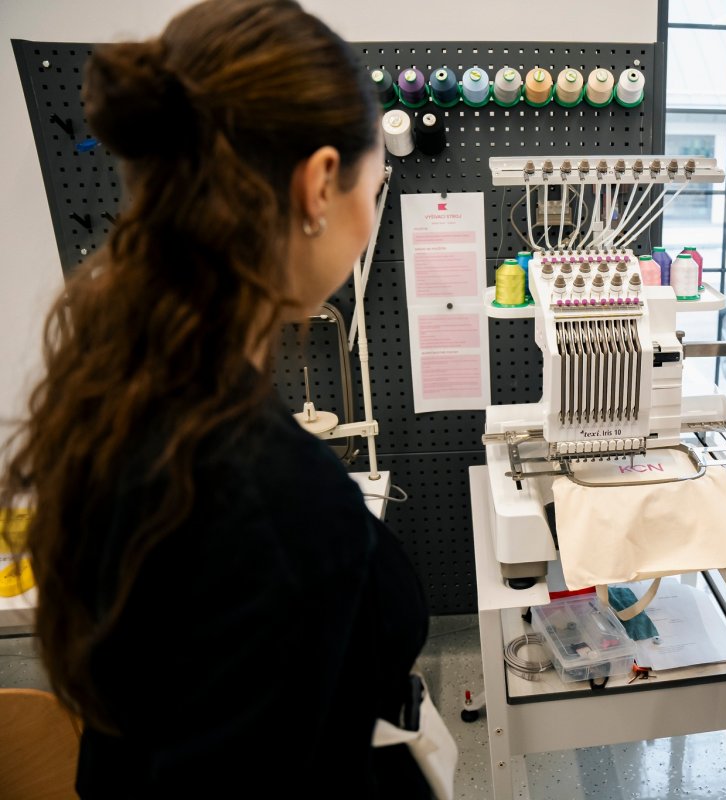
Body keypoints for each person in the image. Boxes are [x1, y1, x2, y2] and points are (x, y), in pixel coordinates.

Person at [0, 1, 431, 796]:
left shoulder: (116, 388)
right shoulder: (277, 501)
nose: (370, 217)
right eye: (373, 189)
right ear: (319, 184)